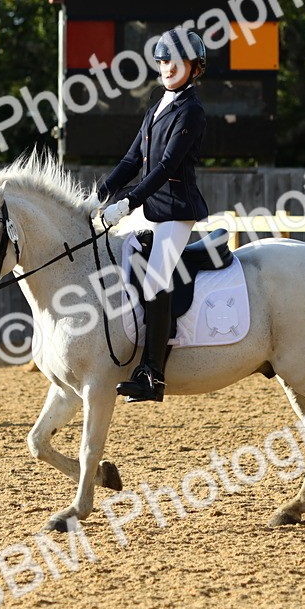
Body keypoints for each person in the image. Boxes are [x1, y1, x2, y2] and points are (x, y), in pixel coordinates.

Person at [94, 27, 210, 402]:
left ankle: (152, 374)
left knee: (156, 280)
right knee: (114, 257)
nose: (167, 68)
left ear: (194, 68)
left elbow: (163, 166)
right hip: (150, 208)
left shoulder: (191, 110)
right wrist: (100, 193)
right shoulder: (156, 107)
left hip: (176, 211)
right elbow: (132, 160)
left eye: (175, 62)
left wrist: (128, 202)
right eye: (162, 61)